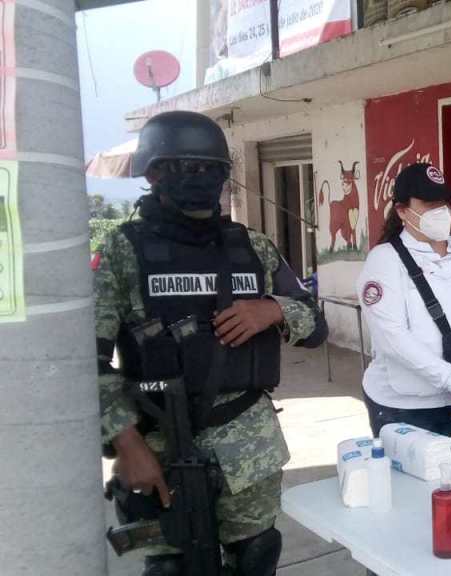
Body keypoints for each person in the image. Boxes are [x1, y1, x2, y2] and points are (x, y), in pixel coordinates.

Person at [95, 110, 328, 576]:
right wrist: (126, 441)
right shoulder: (123, 250)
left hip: (249, 448)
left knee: (257, 556)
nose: (203, 179)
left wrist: (273, 310)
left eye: (214, 169)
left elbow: (316, 324)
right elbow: (86, 360)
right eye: (188, 168)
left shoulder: (252, 246)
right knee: (171, 568)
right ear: (154, 174)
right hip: (159, 449)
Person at [356, 163, 451, 446]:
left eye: (444, 203)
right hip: (406, 407)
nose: (441, 211)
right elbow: (392, 338)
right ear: (402, 211)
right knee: (414, 475)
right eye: (429, 204)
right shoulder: (384, 259)